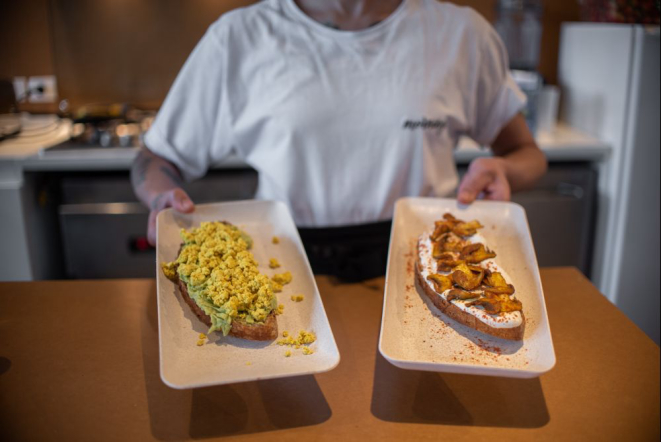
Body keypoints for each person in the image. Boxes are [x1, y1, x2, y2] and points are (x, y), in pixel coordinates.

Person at [132, 0, 547, 280]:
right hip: (282, 260)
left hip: (431, 260)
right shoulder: (240, 37)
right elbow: (155, 159)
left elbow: (526, 153)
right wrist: (161, 198)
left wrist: (504, 169)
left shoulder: (461, 34)